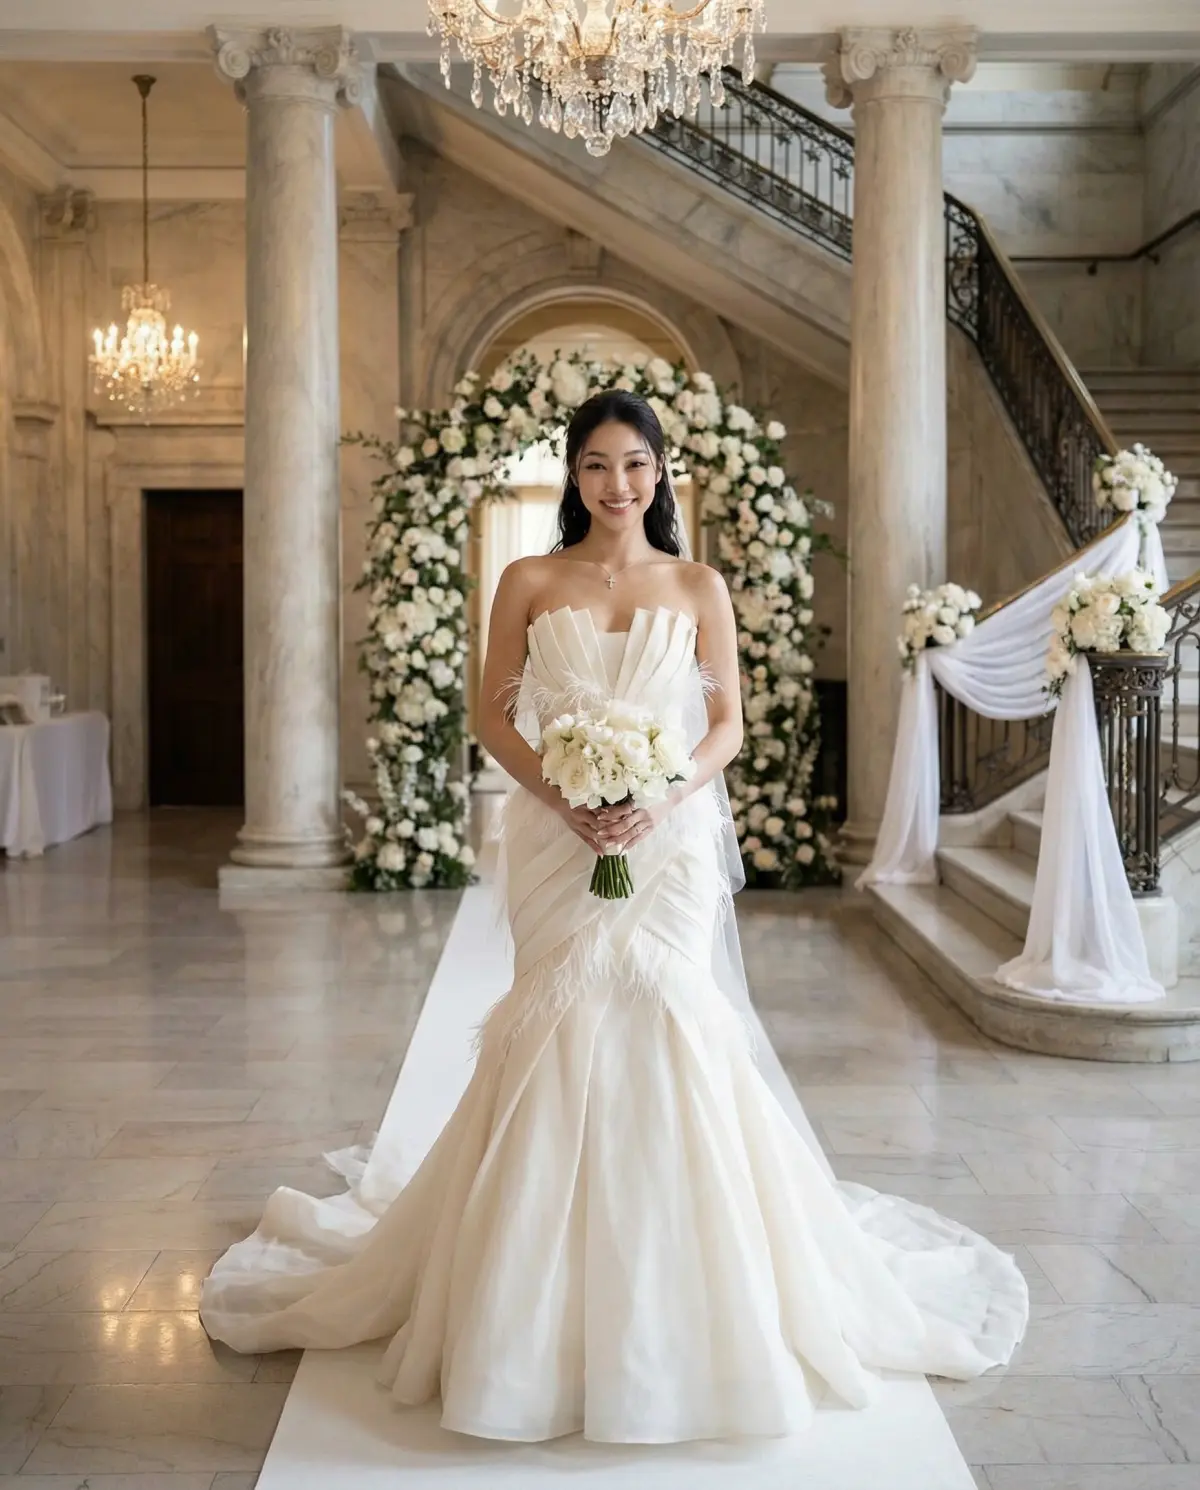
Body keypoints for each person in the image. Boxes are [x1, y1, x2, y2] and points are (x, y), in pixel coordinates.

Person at [200, 389, 1028, 1444]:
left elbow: (725, 721)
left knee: (674, 1018)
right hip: (556, 834)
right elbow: (492, 710)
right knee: (555, 1021)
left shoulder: (699, 582)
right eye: (596, 465)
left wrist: (663, 790)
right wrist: (562, 791)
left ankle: (691, 1302)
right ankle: (523, 1309)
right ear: (572, 473)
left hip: (669, 838)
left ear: (661, 472)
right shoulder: (529, 577)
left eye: (635, 464)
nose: (617, 484)